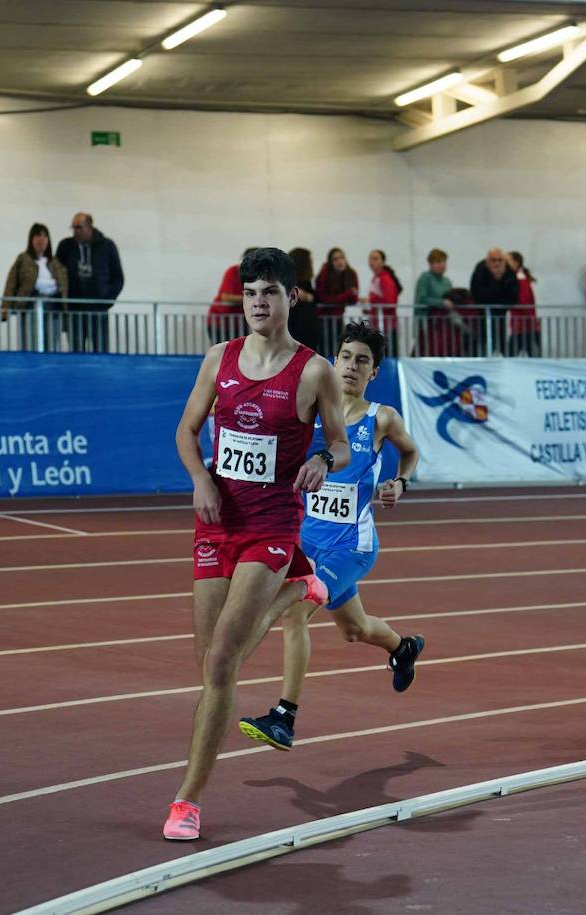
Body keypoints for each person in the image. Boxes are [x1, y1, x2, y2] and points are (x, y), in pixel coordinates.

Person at [164, 247, 351, 842]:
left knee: (222, 661)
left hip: (271, 527)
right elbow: (187, 431)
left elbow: (342, 445)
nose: (257, 303)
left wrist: (322, 456)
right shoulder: (219, 359)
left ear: (291, 297)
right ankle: (302, 588)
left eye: (268, 291)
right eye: (249, 292)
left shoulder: (314, 370)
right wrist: (199, 479)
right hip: (216, 521)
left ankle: (187, 802)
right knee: (211, 667)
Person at [237, 321, 424, 751]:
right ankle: (403, 647)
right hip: (306, 541)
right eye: (345, 357)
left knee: (295, 612)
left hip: (350, 547)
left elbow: (411, 451)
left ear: (374, 372)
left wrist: (401, 482)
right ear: (333, 360)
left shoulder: (381, 419)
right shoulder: (312, 412)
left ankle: (284, 717)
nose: (351, 367)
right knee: (354, 629)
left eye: (363, 361)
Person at [54, 212, 124, 353]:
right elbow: (56, 273)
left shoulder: (107, 246)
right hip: (74, 310)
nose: (75, 231)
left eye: (79, 227)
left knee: (101, 352)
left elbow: (118, 277)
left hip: (98, 310)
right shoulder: (65, 246)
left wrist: (107, 300)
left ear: (89, 227)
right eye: (73, 228)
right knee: (75, 353)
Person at [0, 223, 68, 351]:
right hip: (30, 307)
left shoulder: (55, 263)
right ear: (31, 239)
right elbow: (11, 283)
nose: (41, 239)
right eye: (38, 236)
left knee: (51, 346)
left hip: (53, 309)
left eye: (45, 236)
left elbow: (63, 285)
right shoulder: (23, 259)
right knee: (31, 344)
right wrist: (5, 308)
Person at [469, 247, 517, 356]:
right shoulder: (480, 270)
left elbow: (513, 296)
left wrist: (501, 305)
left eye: (500, 260)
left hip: (501, 316)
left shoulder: (508, 271)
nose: (497, 263)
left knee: (502, 345)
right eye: (493, 260)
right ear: (487, 260)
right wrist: (496, 280)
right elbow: (478, 295)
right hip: (483, 316)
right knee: (484, 344)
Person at [414, 248, 461, 356]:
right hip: (428, 323)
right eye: (438, 262)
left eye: (444, 261)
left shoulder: (447, 281)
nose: (442, 265)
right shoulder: (425, 278)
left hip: (444, 324)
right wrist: (442, 303)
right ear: (430, 264)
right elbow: (421, 299)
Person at [314, 247, 359, 355]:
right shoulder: (324, 275)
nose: (340, 261)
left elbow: (352, 300)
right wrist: (347, 294)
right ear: (330, 262)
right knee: (325, 351)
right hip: (323, 320)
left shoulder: (350, 273)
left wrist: (351, 294)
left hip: (337, 319)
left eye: (342, 258)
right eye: (335, 259)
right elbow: (326, 299)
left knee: (338, 350)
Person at [207, 249, 256, 344]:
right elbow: (226, 298)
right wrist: (252, 298)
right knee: (222, 354)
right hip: (221, 322)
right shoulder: (233, 271)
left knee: (241, 353)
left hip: (241, 322)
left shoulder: (260, 276)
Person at [362, 249, 402, 355]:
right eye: (370, 258)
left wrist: (371, 301)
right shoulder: (375, 278)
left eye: (375, 259)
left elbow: (390, 302)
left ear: (382, 262)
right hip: (379, 326)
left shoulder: (384, 279)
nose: (372, 262)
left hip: (386, 326)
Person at [287, 247, 323, 352]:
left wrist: (309, 297)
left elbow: (313, 297)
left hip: (302, 324)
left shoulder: (302, 281)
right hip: (300, 324)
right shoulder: (295, 282)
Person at [506, 250, 540, 357]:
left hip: (524, 325)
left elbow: (524, 300)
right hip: (523, 325)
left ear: (516, 263)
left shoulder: (519, 278)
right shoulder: (518, 277)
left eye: (508, 261)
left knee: (512, 356)